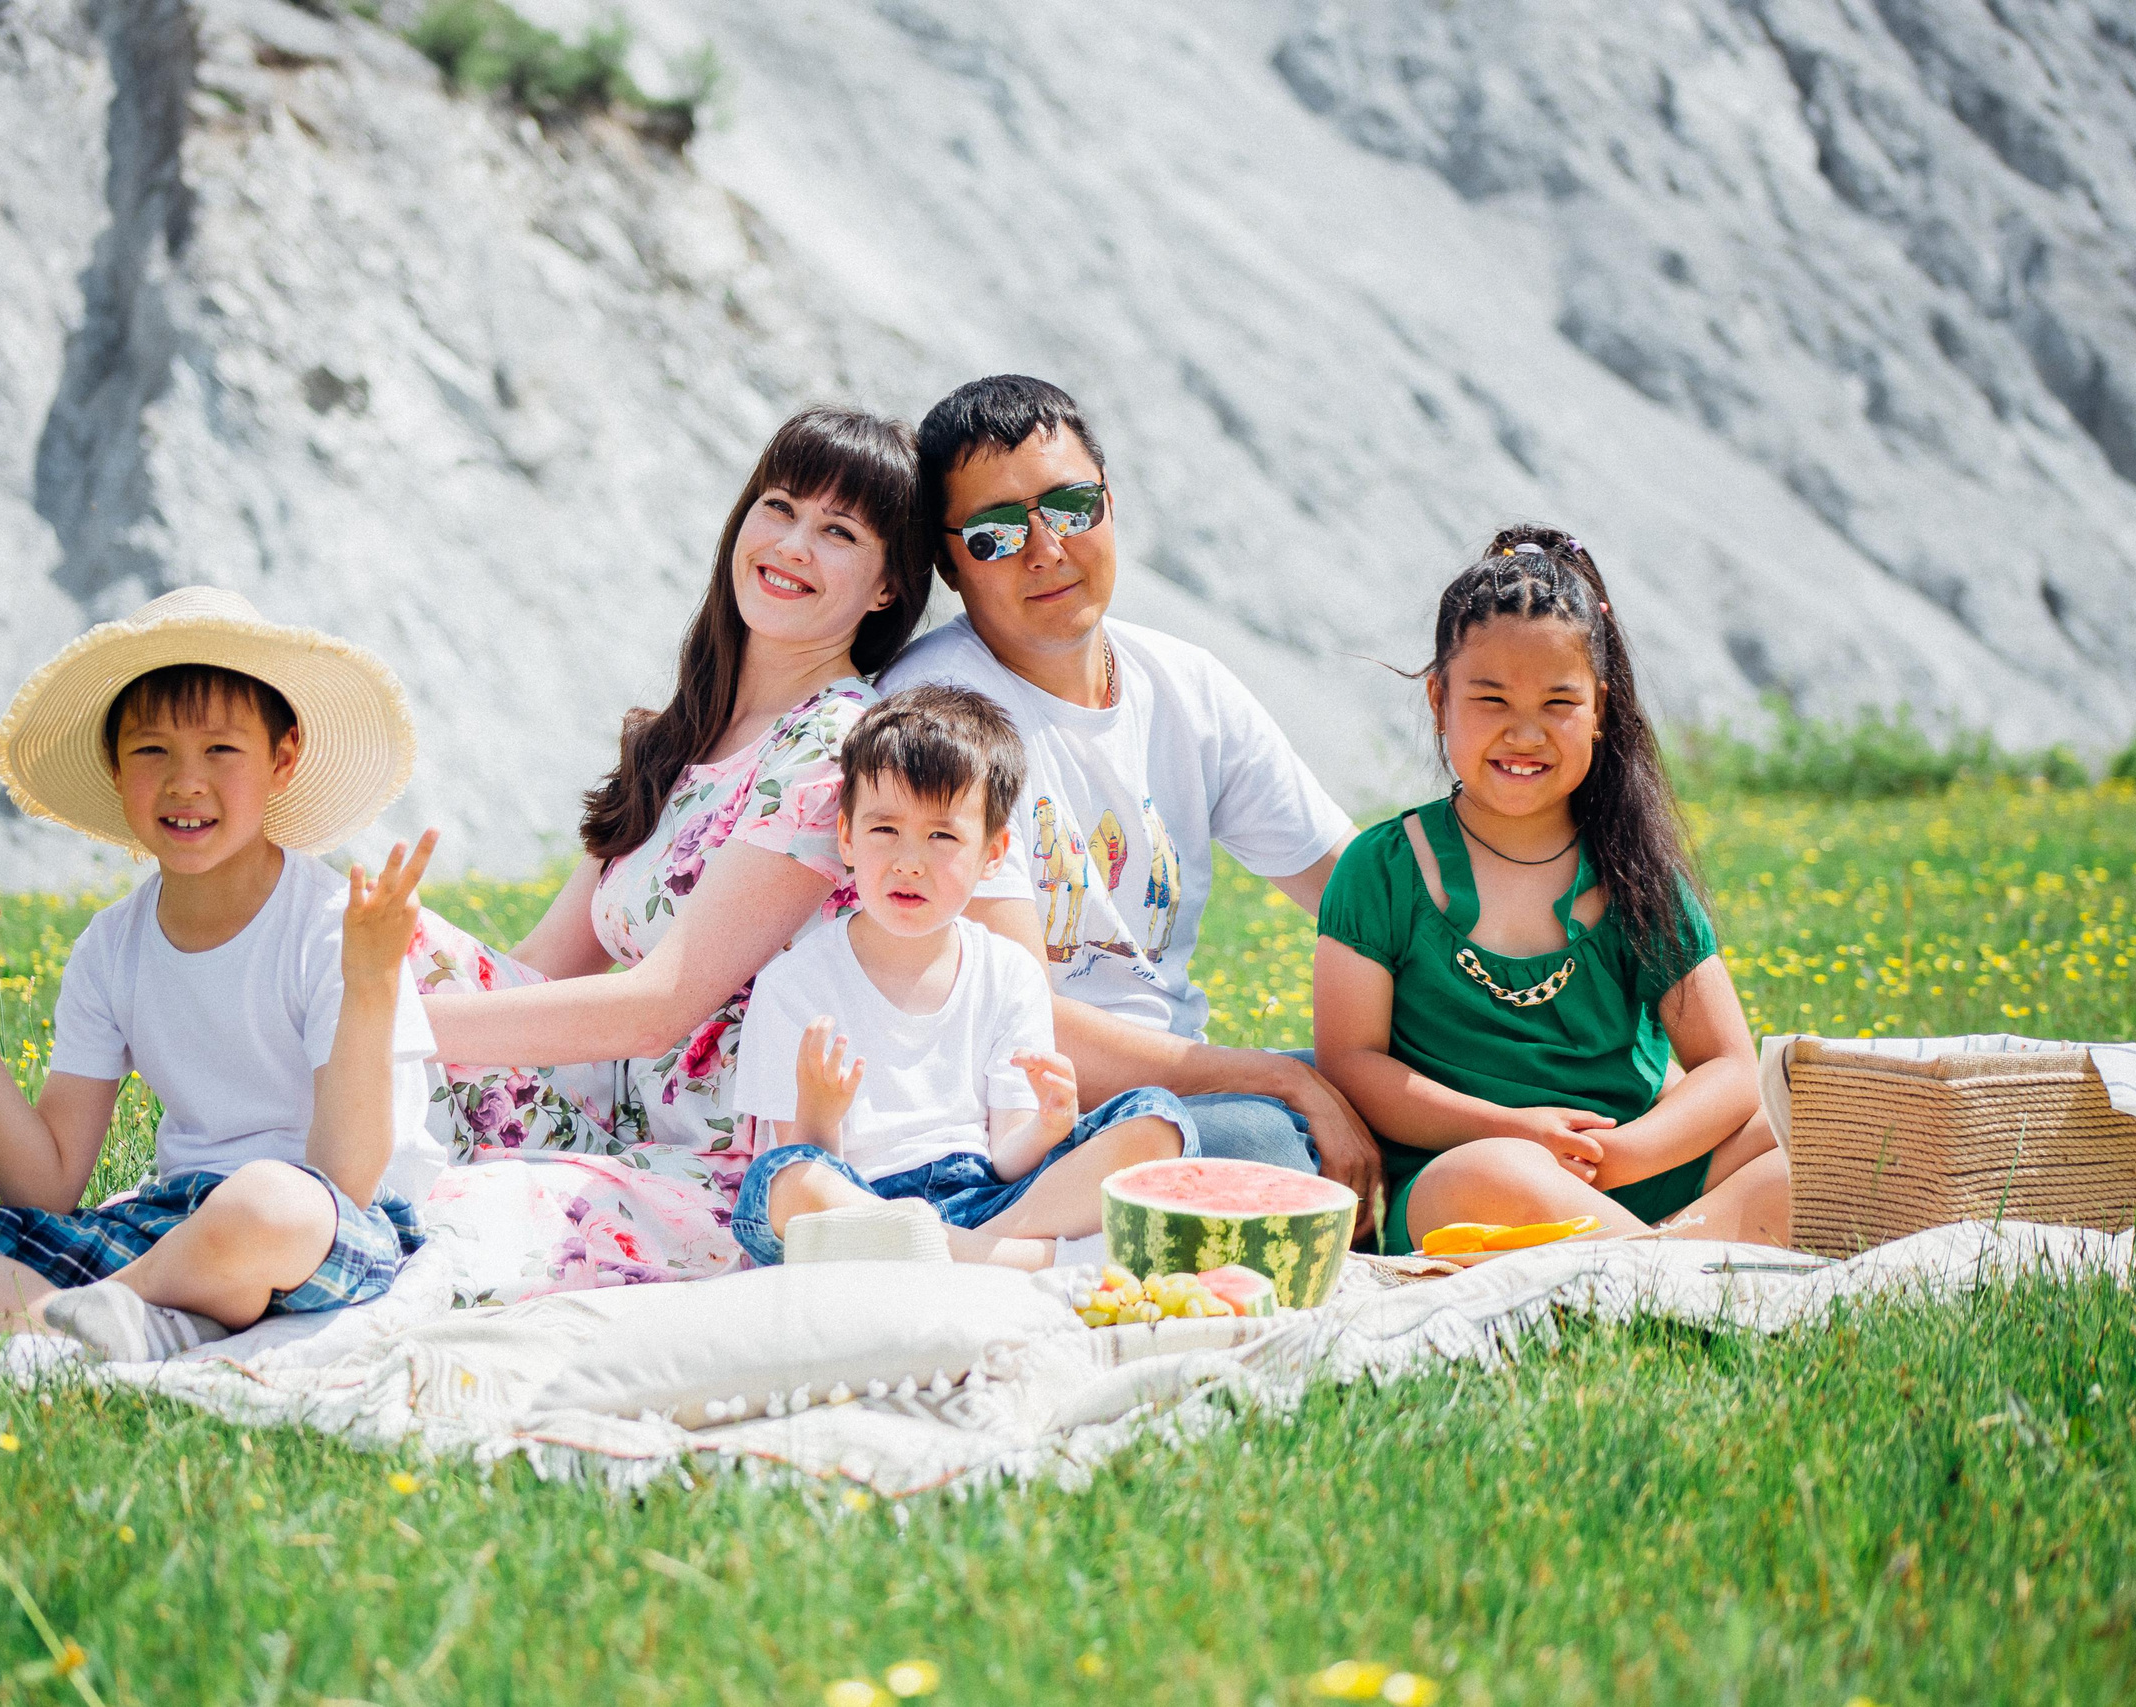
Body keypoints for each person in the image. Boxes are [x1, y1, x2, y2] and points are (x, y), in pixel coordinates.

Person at [0, 588, 445, 1362]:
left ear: (282, 759)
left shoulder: (329, 925)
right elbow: (45, 1189)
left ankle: (98, 1312)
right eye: (152, 751)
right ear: (116, 768)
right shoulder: (112, 945)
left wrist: (375, 978)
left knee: (267, 1201)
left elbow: (346, 1178)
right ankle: (104, 1319)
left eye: (221, 749)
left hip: (319, 1227)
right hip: (173, 1227)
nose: (185, 781)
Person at [407, 404, 933, 1294]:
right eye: (778, 506)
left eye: (837, 530)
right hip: (612, 1119)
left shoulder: (837, 748)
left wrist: (392, 1034)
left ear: (886, 588)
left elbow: (661, 1005)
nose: (793, 544)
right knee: (368, 932)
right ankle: (250, 1174)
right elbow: (537, 966)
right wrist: (376, 986)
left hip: (738, 1178)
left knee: (454, 1216)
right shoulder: (673, 738)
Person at [879, 375, 1379, 1211]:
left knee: (1400, 1091)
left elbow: (1361, 895)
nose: (1046, 550)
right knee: (1274, 1141)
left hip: (1173, 1096)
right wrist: (1280, 1079)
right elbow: (1019, 1020)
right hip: (1011, 1124)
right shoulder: (936, 717)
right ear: (947, 562)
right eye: (997, 533)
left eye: (1071, 506)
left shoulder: (1183, 683)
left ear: (1111, 502)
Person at [1310, 526, 1791, 1254]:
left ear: (1598, 708)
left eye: (1557, 702)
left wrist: (1625, 1154)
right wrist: (1513, 1130)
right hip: (1470, 1178)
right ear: (1439, 699)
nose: (1524, 732)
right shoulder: (1381, 870)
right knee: (1496, 1175)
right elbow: (1353, 1063)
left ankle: (1638, 1257)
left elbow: (1729, 1068)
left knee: (1810, 1134)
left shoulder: (1635, 872)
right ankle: (1675, 1262)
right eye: (1492, 699)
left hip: (1628, 1166)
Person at [728, 685, 1196, 1269]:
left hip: (985, 1201)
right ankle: (1017, 1259)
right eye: (884, 830)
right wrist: (820, 1112)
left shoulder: (1008, 973)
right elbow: (804, 1162)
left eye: (942, 836)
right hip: (861, 1206)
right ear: (846, 836)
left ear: (994, 853)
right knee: (781, 1180)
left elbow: (1007, 1158)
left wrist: (1049, 1127)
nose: (909, 861)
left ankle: (956, 1252)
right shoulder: (794, 983)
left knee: (1160, 1123)